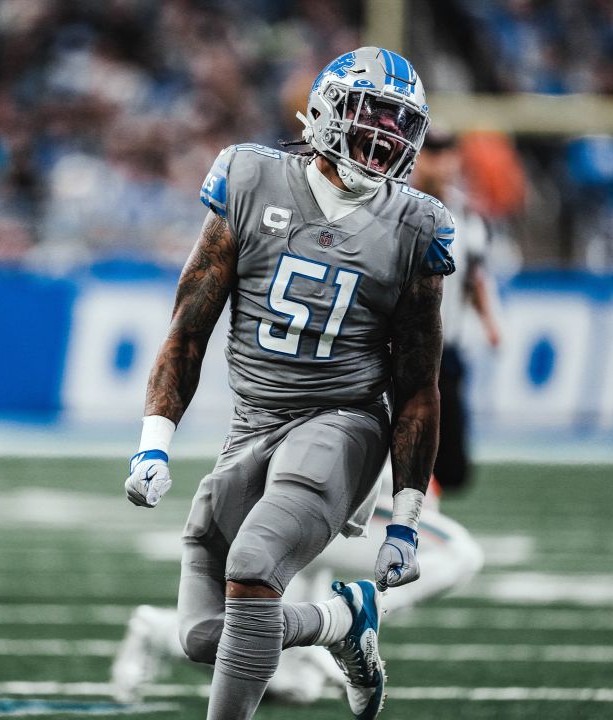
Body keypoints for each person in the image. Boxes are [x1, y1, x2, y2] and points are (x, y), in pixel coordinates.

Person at [122, 47, 454, 720]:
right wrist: (153, 444)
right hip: (254, 423)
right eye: (375, 115)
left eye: (401, 123)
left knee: (253, 562)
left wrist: (407, 521)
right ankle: (341, 620)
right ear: (330, 109)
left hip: (345, 420)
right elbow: (189, 329)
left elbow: (419, 384)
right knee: (201, 637)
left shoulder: (418, 226)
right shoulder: (248, 179)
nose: (388, 136)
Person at [110, 461, 485, 706]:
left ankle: (159, 630)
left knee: (292, 686)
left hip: (323, 499)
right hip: (324, 493)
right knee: (458, 553)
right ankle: (350, 616)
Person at [410, 129, 503, 493]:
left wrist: (490, 323)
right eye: (432, 152)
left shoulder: (467, 216)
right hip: (396, 348)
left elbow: (474, 279)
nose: (440, 161)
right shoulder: (393, 207)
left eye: (447, 152)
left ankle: (421, 511)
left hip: (446, 351)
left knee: (452, 467)